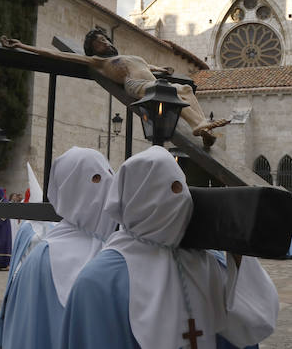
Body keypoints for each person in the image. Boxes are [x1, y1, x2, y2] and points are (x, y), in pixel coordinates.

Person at [61, 145, 279, 348]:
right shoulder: (100, 281)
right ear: (138, 199)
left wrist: (238, 257)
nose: (182, 198)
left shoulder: (208, 262)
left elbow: (253, 324)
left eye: (181, 186)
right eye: (170, 189)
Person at [2, 28, 229, 146]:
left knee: (186, 90)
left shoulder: (127, 56)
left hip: (153, 79)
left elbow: (147, 65)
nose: (105, 42)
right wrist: (23, 45)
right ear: (93, 49)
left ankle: (201, 125)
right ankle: (200, 124)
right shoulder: (99, 62)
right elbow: (56, 54)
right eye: (98, 42)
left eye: (104, 39)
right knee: (172, 93)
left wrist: (162, 69)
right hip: (136, 85)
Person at [0, 147, 117, 348]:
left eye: (109, 173)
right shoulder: (42, 259)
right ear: (72, 189)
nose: (107, 184)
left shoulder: (117, 250)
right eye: (96, 178)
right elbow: (27, 333)